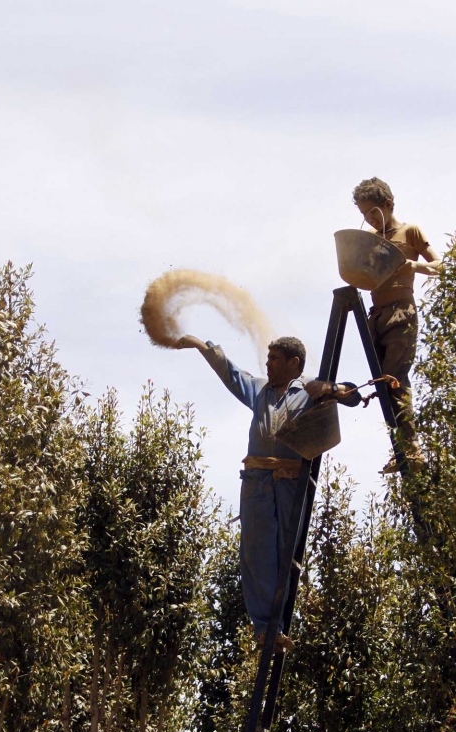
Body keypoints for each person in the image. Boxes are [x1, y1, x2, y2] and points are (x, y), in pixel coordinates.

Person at [176, 334, 359, 647]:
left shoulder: (311, 390)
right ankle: (264, 629)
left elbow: (353, 396)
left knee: (286, 554)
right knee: (257, 552)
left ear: (293, 363)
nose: (268, 364)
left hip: (292, 481)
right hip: (257, 481)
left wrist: (330, 389)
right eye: (268, 358)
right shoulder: (259, 389)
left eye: (274, 359)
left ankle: (278, 626)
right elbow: (231, 373)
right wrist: (199, 344)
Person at [349, 177, 441, 473]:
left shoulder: (409, 232)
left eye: (373, 212)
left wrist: (415, 265)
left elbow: (441, 266)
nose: (370, 219)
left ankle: (412, 449)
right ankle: (400, 449)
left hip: (402, 311)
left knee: (395, 378)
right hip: (376, 315)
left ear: (388, 204)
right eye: (364, 215)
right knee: (383, 383)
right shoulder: (372, 240)